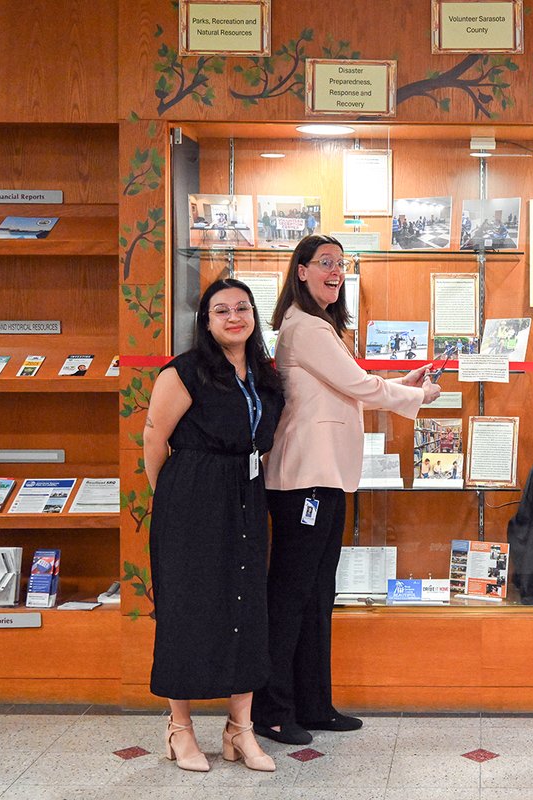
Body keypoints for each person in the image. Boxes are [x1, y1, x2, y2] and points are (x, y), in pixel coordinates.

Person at [253, 234, 440, 745]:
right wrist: (416, 393)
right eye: (325, 263)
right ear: (302, 272)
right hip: (303, 482)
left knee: (318, 594)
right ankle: (271, 711)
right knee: (292, 596)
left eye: (341, 264)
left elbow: (349, 384)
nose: (336, 271)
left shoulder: (322, 328)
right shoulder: (303, 326)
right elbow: (360, 387)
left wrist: (405, 380)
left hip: (328, 478)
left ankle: (313, 704)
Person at [143, 278, 283, 773]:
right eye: (220, 310)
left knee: (246, 605)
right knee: (188, 608)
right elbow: (154, 444)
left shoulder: (265, 376)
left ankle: (238, 730)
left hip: (246, 494)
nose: (233, 317)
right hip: (190, 500)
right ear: (205, 321)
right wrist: (178, 501)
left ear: (253, 316)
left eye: (242, 308)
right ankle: (179, 729)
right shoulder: (184, 372)